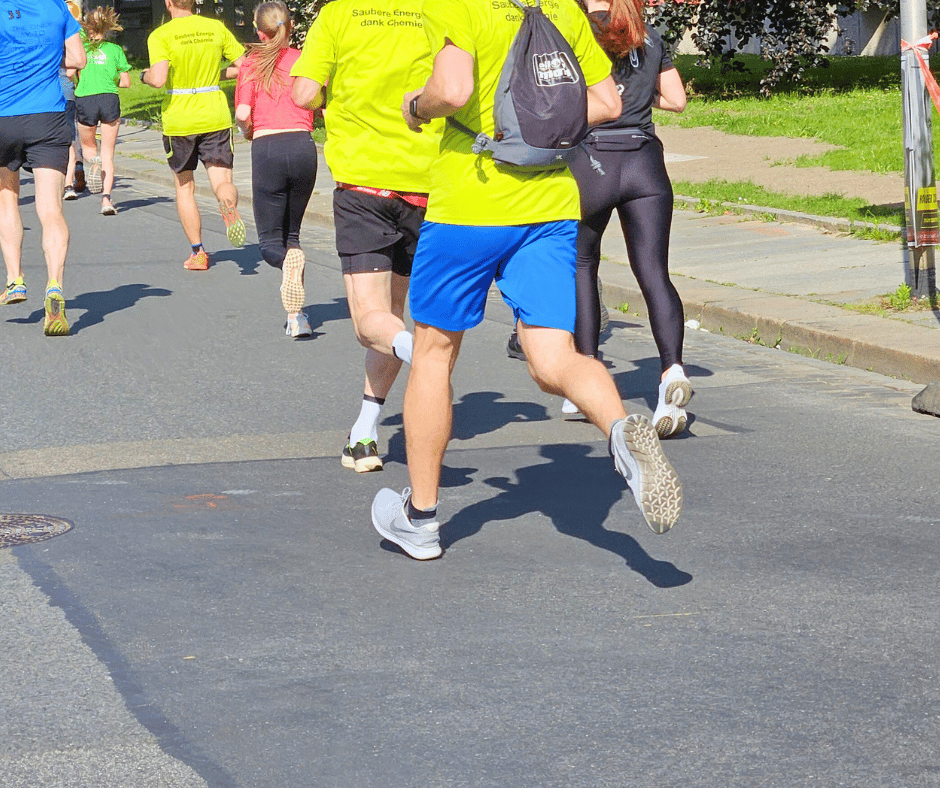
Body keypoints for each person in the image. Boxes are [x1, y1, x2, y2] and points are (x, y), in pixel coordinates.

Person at [370, 0, 683, 561]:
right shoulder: (562, 9)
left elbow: (455, 90)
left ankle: (420, 518)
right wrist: (540, 126)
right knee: (553, 357)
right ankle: (619, 432)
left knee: (434, 353)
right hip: (550, 206)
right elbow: (608, 101)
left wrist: (416, 106)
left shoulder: (461, 8)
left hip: (469, 205)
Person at [290, 0, 442, 473]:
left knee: (369, 323)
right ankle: (364, 431)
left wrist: (327, 95)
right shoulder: (438, 12)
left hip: (365, 184)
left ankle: (425, 357)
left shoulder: (338, 15)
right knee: (392, 318)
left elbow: (303, 92)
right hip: (428, 183)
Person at [566, 0, 692, 437]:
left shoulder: (575, 30)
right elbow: (676, 99)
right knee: (654, 273)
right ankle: (672, 370)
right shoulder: (648, 34)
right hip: (645, 162)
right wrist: (638, 94)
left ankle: (585, 378)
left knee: (582, 266)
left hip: (591, 162)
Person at [0, 0, 86, 335]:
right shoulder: (58, 8)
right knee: (50, 209)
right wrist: (48, 61)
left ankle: (15, 279)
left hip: (3, 117)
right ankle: (54, 286)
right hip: (47, 118)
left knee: (7, 197)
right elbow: (78, 59)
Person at [142, 0, 246, 270]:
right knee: (222, 178)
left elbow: (159, 78)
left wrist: (144, 76)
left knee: (185, 186)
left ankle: (198, 253)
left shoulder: (161, 35)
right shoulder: (215, 28)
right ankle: (227, 204)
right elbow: (244, 65)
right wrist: (215, 74)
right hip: (214, 113)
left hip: (180, 118)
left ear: (167, 3)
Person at [235, 1, 317, 338]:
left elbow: (242, 113)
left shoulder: (251, 63)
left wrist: (247, 133)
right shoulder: (304, 60)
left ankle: (286, 264)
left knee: (271, 243)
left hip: (268, 148)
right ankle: (296, 317)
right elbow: (316, 98)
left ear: (258, 31)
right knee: (292, 234)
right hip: (303, 147)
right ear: (291, 26)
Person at [75, 6, 132, 216]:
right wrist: (111, 77)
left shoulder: (82, 47)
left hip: (85, 98)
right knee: (109, 154)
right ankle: (106, 201)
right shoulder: (115, 50)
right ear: (107, 29)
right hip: (109, 99)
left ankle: (92, 162)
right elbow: (126, 83)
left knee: (88, 146)